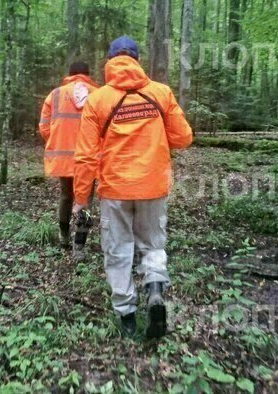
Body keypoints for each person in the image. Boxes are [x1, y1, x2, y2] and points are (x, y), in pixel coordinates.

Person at [72, 36, 193, 338]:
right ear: (138, 60)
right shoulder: (160, 93)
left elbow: (85, 155)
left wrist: (80, 198)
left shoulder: (97, 100)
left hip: (115, 190)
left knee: (118, 250)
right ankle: (154, 288)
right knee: (153, 244)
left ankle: (127, 315)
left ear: (110, 61)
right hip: (153, 186)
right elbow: (183, 137)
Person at [38, 61, 99, 260]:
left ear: (69, 74)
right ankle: (79, 246)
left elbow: (44, 127)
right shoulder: (98, 94)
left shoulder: (54, 95)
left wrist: (58, 141)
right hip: (89, 158)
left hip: (63, 158)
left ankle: (64, 237)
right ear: (88, 74)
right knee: (85, 200)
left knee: (66, 196)